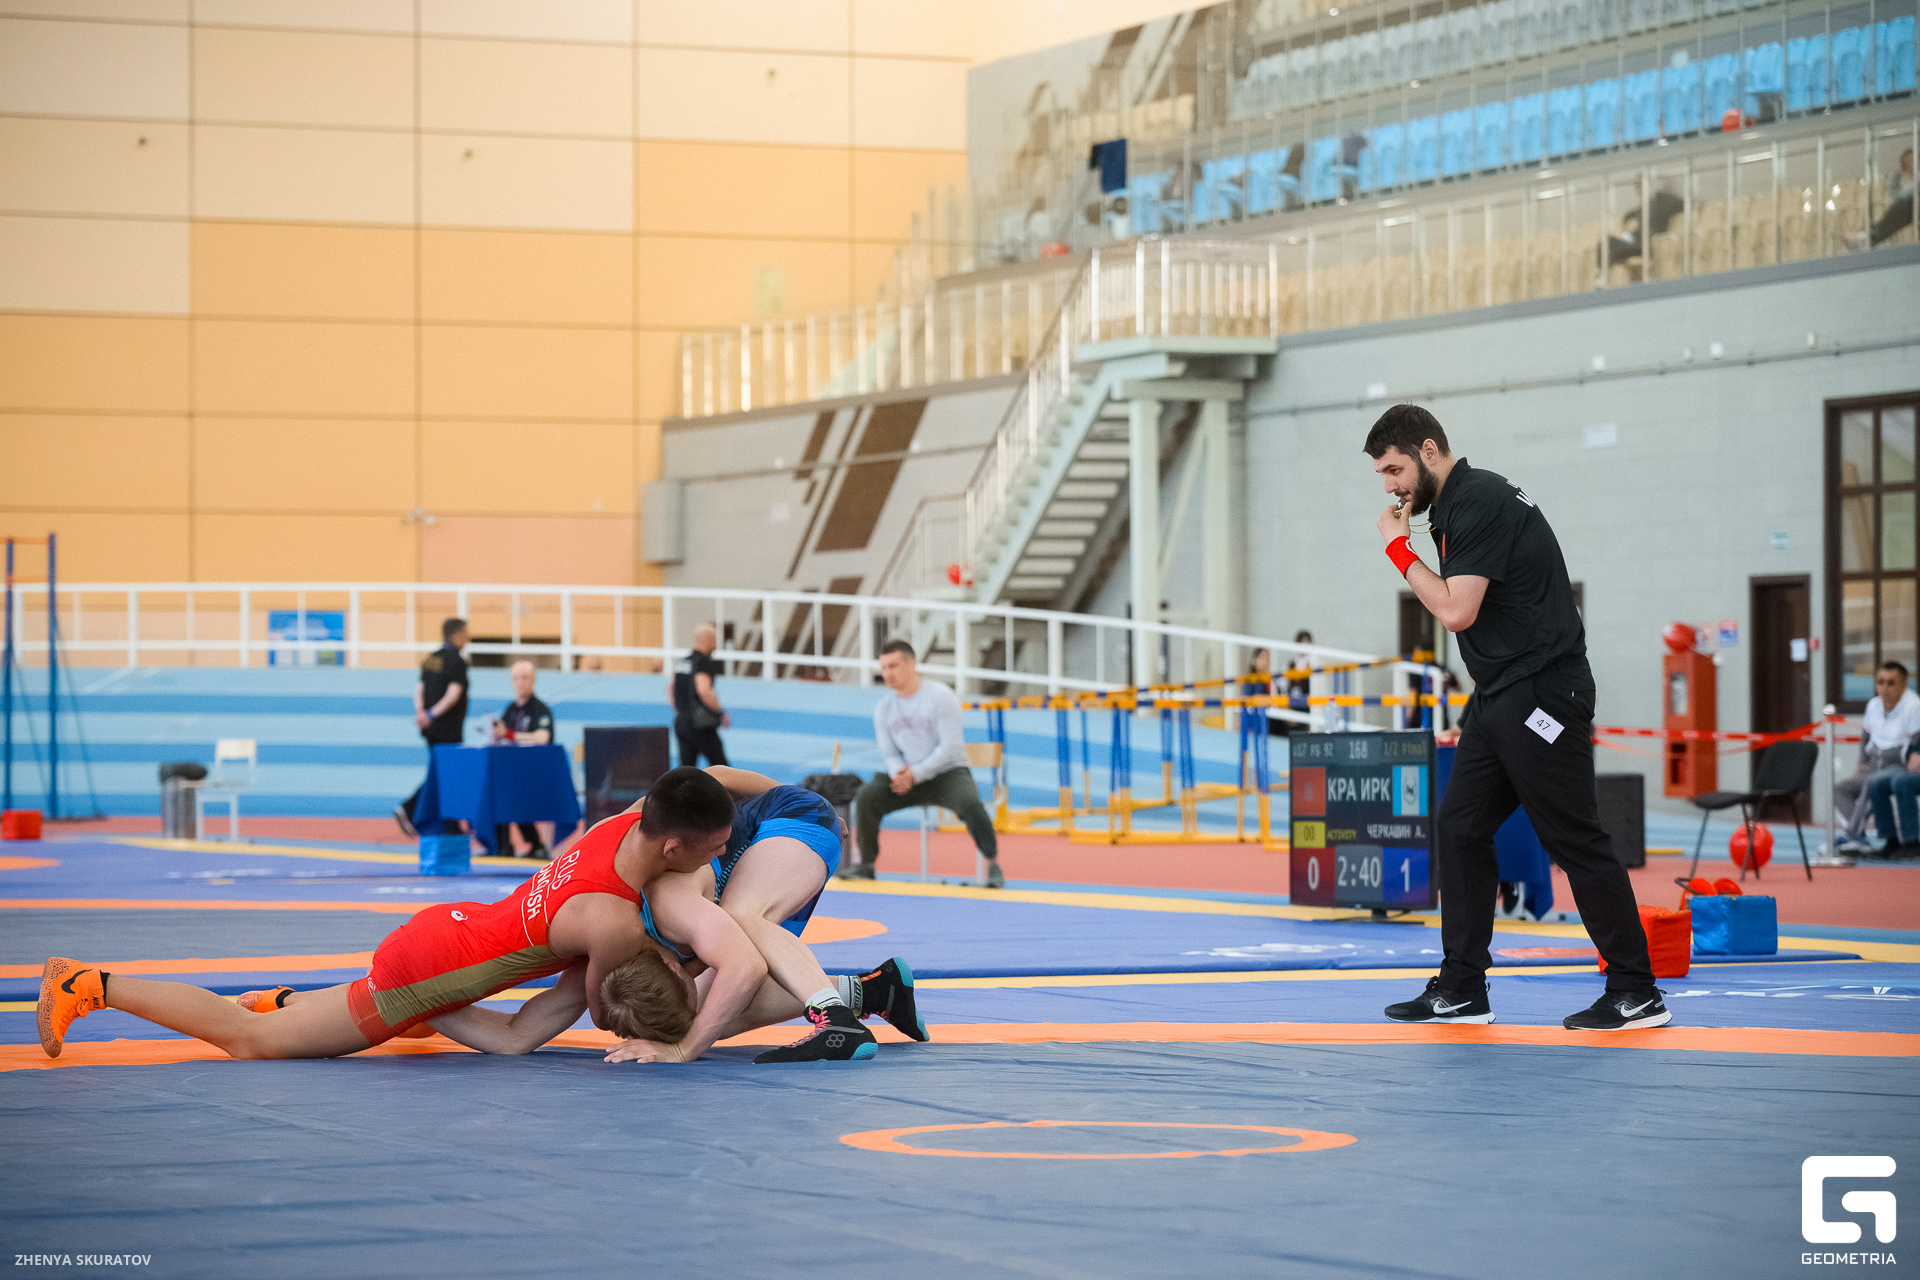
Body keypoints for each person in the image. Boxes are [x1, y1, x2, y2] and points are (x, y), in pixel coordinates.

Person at [38, 768, 766, 1063]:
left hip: (453, 928)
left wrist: (782, 795)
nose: (721, 857)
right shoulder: (613, 924)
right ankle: (91, 984)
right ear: (672, 846)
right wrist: (674, 995)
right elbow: (607, 1011)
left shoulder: (624, 823)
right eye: (715, 849)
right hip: (428, 970)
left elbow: (708, 778)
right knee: (250, 1043)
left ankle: (286, 999)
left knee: (402, 1013)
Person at [1364, 404, 1667, 1032]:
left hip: (1541, 694)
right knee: (1461, 827)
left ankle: (1636, 990)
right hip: (1501, 694)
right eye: (1382, 475)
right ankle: (1462, 988)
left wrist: (1398, 549)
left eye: (1394, 470)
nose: (1390, 487)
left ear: (1427, 451)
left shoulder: (1478, 500)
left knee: (1573, 836)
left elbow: (1457, 611)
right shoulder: (1452, 508)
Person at [609, 766, 926, 1064]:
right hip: (758, 858)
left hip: (795, 815)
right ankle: (875, 992)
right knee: (713, 1017)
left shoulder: (664, 901)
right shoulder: (634, 942)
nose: (720, 849)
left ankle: (836, 1020)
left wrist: (685, 1049)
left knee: (741, 918)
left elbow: (747, 967)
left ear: (673, 969)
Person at [841, 640, 1003, 889]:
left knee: (970, 803)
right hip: (906, 776)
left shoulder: (940, 696)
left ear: (911, 664)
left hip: (947, 773)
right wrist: (899, 774)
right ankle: (867, 866)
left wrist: (915, 774)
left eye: (893, 666)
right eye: (883, 667)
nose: (887, 673)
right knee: (867, 796)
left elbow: (950, 747)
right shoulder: (884, 708)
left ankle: (993, 864)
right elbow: (889, 753)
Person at [1830, 662, 1920, 853]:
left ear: (1903, 685)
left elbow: (1916, 739)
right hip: (1873, 762)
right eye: (1880, 682)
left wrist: (1916, 755)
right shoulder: (1873, 704)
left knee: (1872, 783)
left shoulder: (1913, 705)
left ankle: (1853, 836)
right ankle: (1858, 834)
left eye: (1891, 683)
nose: (1885, 688)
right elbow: (1865, 737)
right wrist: (1861, 763)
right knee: (1840, 789)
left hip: (1897, 764)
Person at [395, 618, 469, 839]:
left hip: (431, 729)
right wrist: (431, 714)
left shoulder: (430, 658)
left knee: (445, 775)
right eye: (466, 633)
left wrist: (421, 713)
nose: (468, 638)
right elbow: (453, 694)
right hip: (448, 729)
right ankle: (410, 809)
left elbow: (419, 689)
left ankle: (451, 825)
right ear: (456, 635)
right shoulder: (457, 661)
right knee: (446, 774)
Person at [492, 658, 557, 859]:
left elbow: (542, 738)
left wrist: (510, 735)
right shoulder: (510, 709)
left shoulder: (540, 710)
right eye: (516, 678)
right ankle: (501, 846)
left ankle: (535, 845)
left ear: (533, 680)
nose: (520, 682)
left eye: (524, 678)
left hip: (536, 774)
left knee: (511, 791)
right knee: (494, 787)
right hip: (513, 773)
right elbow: (501, 734)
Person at [672, 624, 729, 768]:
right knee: (721, 768)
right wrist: (719, 711)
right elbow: (703, 690)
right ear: (708, 639)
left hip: (681, 722)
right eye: (715, 640)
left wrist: (680, 709)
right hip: (700, 725)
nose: (716, 645)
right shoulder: (703, 662)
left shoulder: (683, 662)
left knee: (686, 769)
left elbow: (671, 688)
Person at [1862, 728, 1920, 861]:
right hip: (1912, 770)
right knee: (1877, 785)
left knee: (1902, 783)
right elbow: (1912, 762)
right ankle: (1891, 841)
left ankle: (1912, 842)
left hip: (1912, 773)